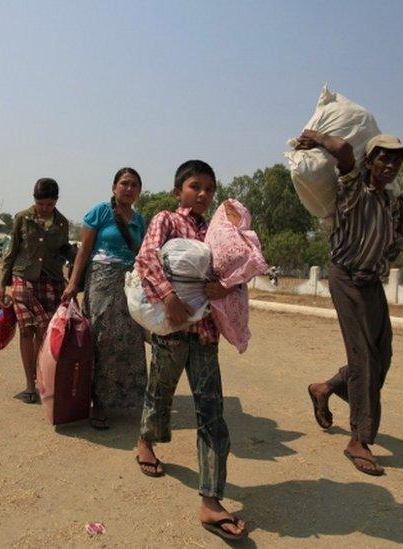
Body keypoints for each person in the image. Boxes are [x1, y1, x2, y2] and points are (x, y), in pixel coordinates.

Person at [133, 160, 247, 541]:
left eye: (209, 189)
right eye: (195, 186)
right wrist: (167, 297)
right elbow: (147, 258)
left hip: (205, 334)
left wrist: (225, 287)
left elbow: (236, 270)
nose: (203, 195)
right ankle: (146, 440)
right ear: (179, 190)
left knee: (212, 411)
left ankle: (211, 501)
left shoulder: (220, 231)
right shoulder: (166, 220)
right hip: (171, 328)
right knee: (160, 390)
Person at [301, 132, 403, 476]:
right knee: (363, 357)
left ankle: (325, 389)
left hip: (371, 283)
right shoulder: (354, 186)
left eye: (397, 160)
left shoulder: (390, 203)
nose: (391, 165)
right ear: (370, 161)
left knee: (382, 356)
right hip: (347, 277)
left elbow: (390, 249)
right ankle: (359, 440)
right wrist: (314, 137)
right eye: (384, 158)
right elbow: (344, 151)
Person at [62, 168, 147, 430]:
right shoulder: (99, 212)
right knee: (100, 339)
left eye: (134, 185)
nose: (129, 189)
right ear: (114, 187)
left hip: (128, 285)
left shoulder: (139, 220)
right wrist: (73, 284)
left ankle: (124, 401)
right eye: (124, 183)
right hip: (100, 282)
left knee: (129, 341)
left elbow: (142, 255)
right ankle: (97, 402)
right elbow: (83, 251)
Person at [0, 178, 77, 404]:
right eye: (41, 204)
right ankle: (30, 386)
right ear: (34, 200)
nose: (44, 209)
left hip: (51, 282)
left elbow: (64, 249)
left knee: (44, 333)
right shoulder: (22, 218)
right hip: (24, 278)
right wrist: (2, 284)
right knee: (26, 330)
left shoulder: (61, 223)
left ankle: (41, 380)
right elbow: (11, 253)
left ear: (56, 202)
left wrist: (80, 261)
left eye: (49, 204)